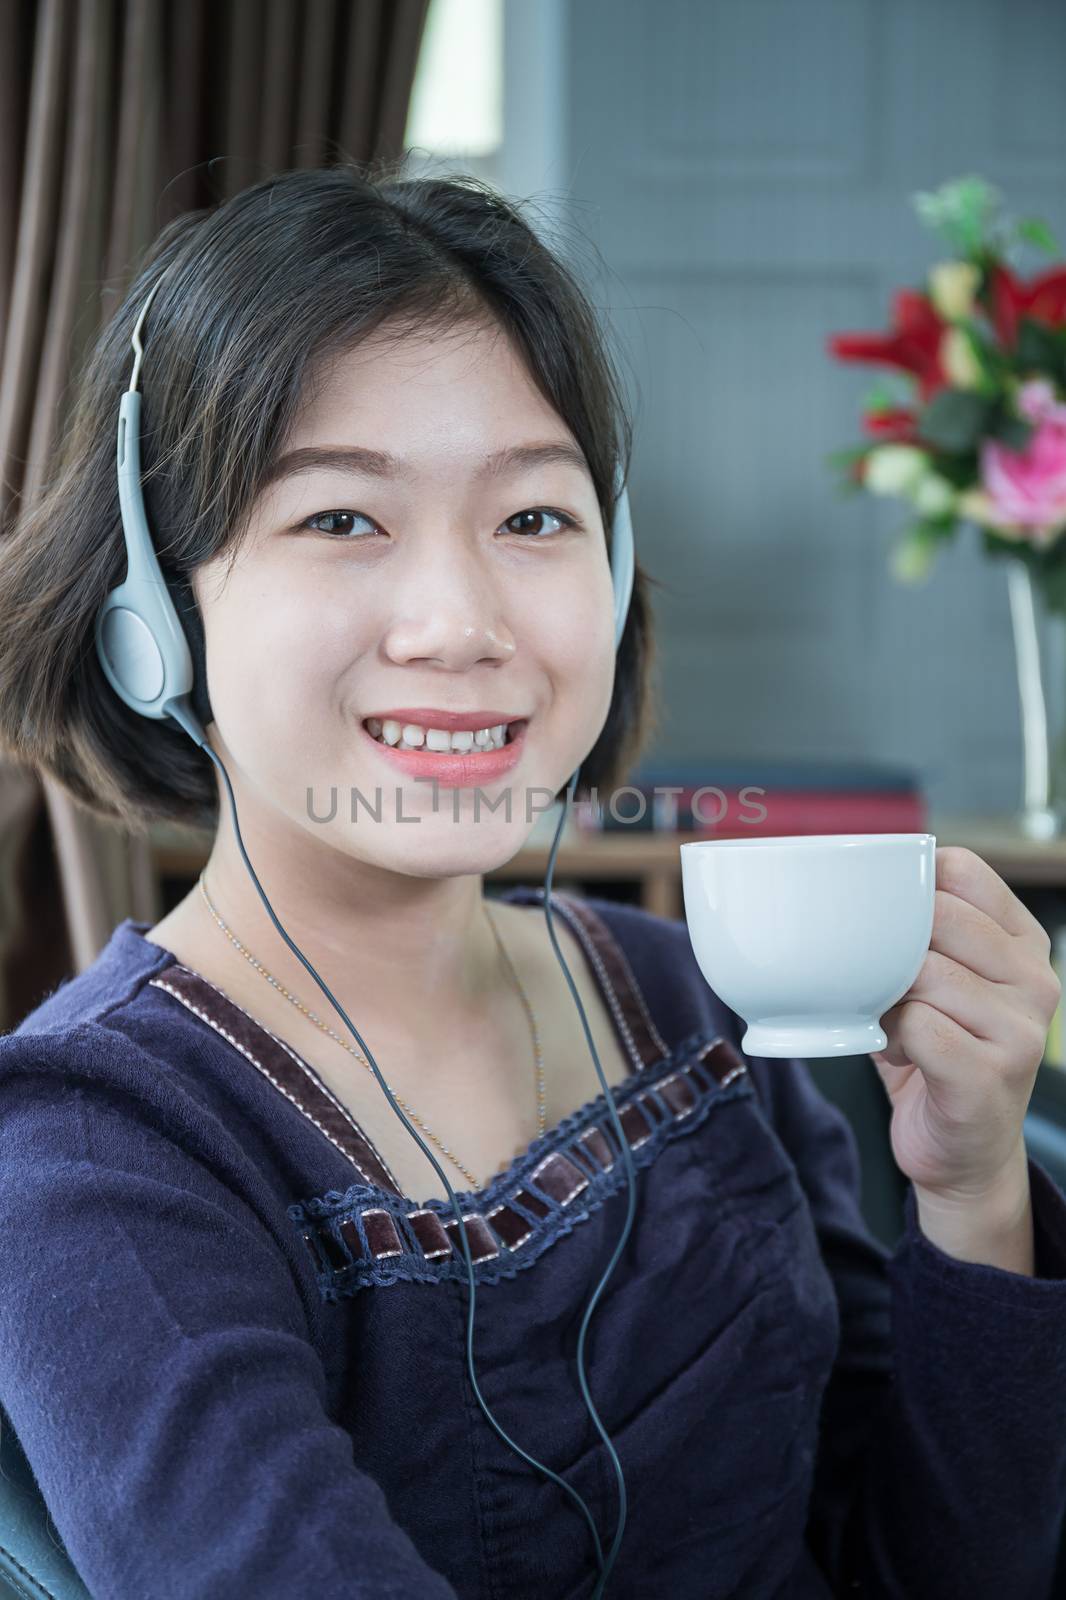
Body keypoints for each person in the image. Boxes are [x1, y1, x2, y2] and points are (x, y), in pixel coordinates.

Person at [0, 159, 1064, 1600]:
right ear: (156, 609)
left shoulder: (685, 1000)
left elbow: (924, 1571)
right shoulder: (90, 1149)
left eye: (534, 519)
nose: (462, 623)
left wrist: (971, 1188)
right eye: (340, 519)